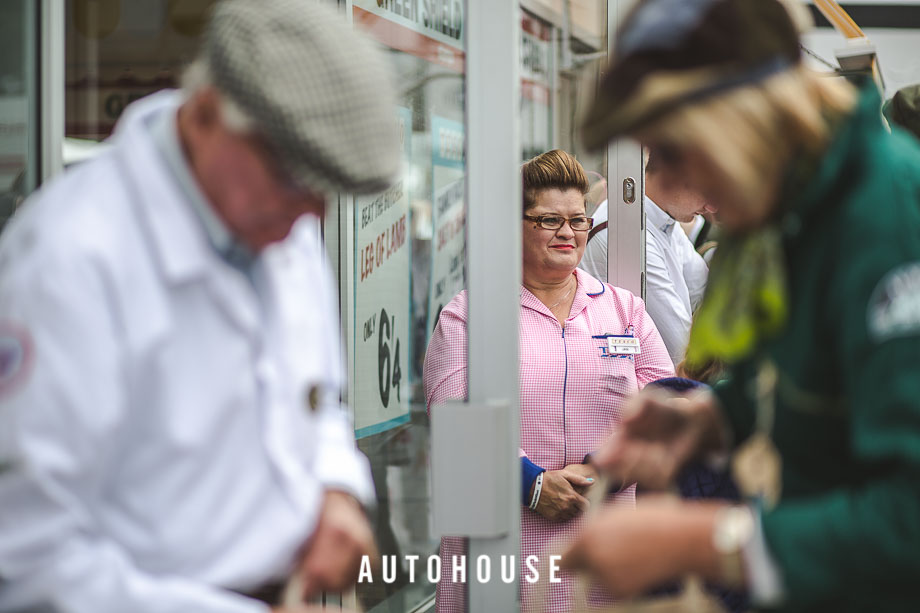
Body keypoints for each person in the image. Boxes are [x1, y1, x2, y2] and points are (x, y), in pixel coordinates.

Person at [0, 1, 402, 612]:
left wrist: (336, 490)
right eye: (295, 179)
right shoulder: (71, 261)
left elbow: (317, 403)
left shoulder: (278, 226)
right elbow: (28, 556)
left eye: (327, 191)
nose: (313, 214)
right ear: (209, 112)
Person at [561, 0, 920, 612]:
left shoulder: (885, 218)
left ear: (742, 115)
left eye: (674, 149)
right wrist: (707, 421)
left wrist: (704, 542)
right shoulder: (800, 212)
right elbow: (811, 382)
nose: (675, 177)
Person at [423, 149, 674, 611]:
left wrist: (603, 472)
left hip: (601, 559)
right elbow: (454, 418)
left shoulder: (625, 312)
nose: (567, 232)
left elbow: (666, 412)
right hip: (501, 560)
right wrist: (532, 486)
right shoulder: (469, 315)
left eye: (578, 220)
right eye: (547, 220)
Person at [579, 149, 715, 366]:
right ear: (670, 178)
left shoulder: (661, 220)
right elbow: (682, 348)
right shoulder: (628, 230)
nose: (712, 207)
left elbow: (706, 293)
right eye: (706, 191)